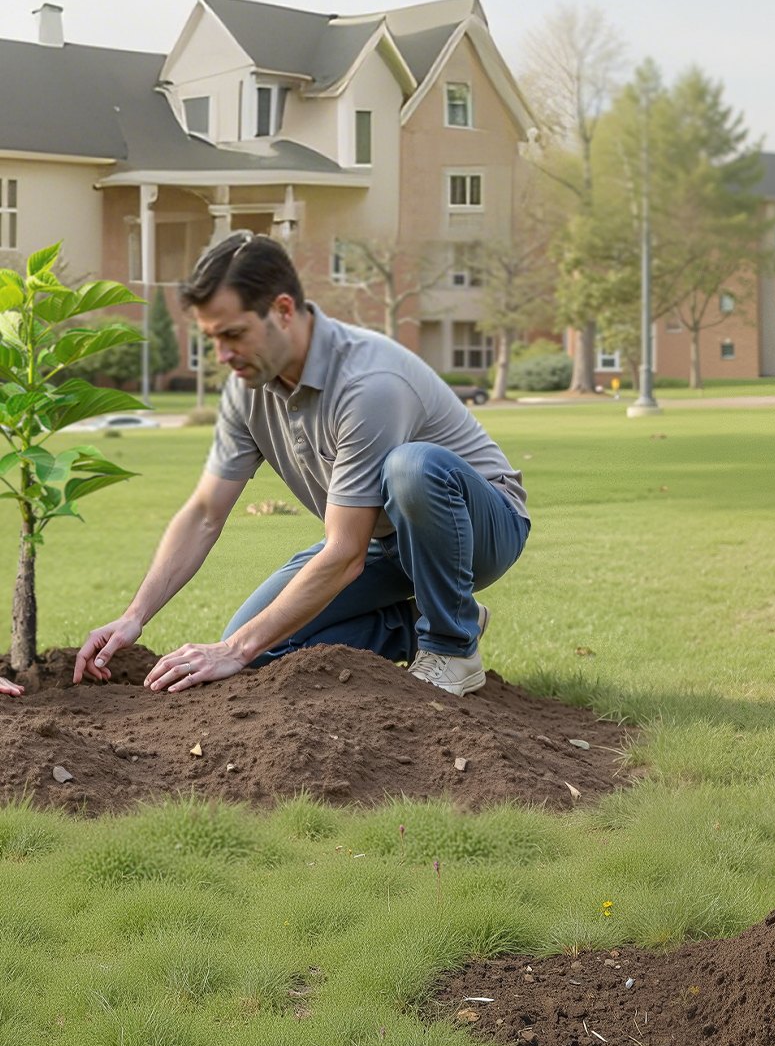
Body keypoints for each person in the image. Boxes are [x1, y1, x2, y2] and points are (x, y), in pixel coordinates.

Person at [73, 231, 530, 698]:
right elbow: (206, 513)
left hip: (477, 530)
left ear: (284, 310)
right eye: (212, 339)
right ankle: (430, 621)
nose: (223, 356)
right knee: (261, 644)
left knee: (411, 468)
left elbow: (344, 552)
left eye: (233, 334)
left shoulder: (368, 382)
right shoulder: (246, 388)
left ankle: (452, 646)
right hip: (381, 541)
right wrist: (135, 616)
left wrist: (233, 648)